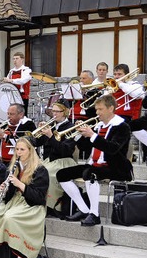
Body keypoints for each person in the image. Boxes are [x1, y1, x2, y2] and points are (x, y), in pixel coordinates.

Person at [57, 95, 133, 226]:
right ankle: (84, 209)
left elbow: (112, 148)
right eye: (96, 109)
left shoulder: (122, 126)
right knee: (62, 175)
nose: (97, 113)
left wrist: (92, 135)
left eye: (100, 109)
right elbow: (85, 148)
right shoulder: (98, 126)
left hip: (115, 167)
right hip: (94, 164)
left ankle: (95, 214)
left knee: (89, 174)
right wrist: (80, 135)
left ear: (111, 108)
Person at [32, 102, 77, 215]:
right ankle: (36, 202)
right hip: (49, 160)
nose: (54, 114)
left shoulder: (71, 127)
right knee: (33, 171)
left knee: (46, 173)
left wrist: (50, 136)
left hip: (64, 161)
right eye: (53, 111)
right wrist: (41, 132)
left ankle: (51, 206)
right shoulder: (51, 126)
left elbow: (65, 150)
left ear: (65, 112)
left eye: (57, 111)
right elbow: (37, 143)